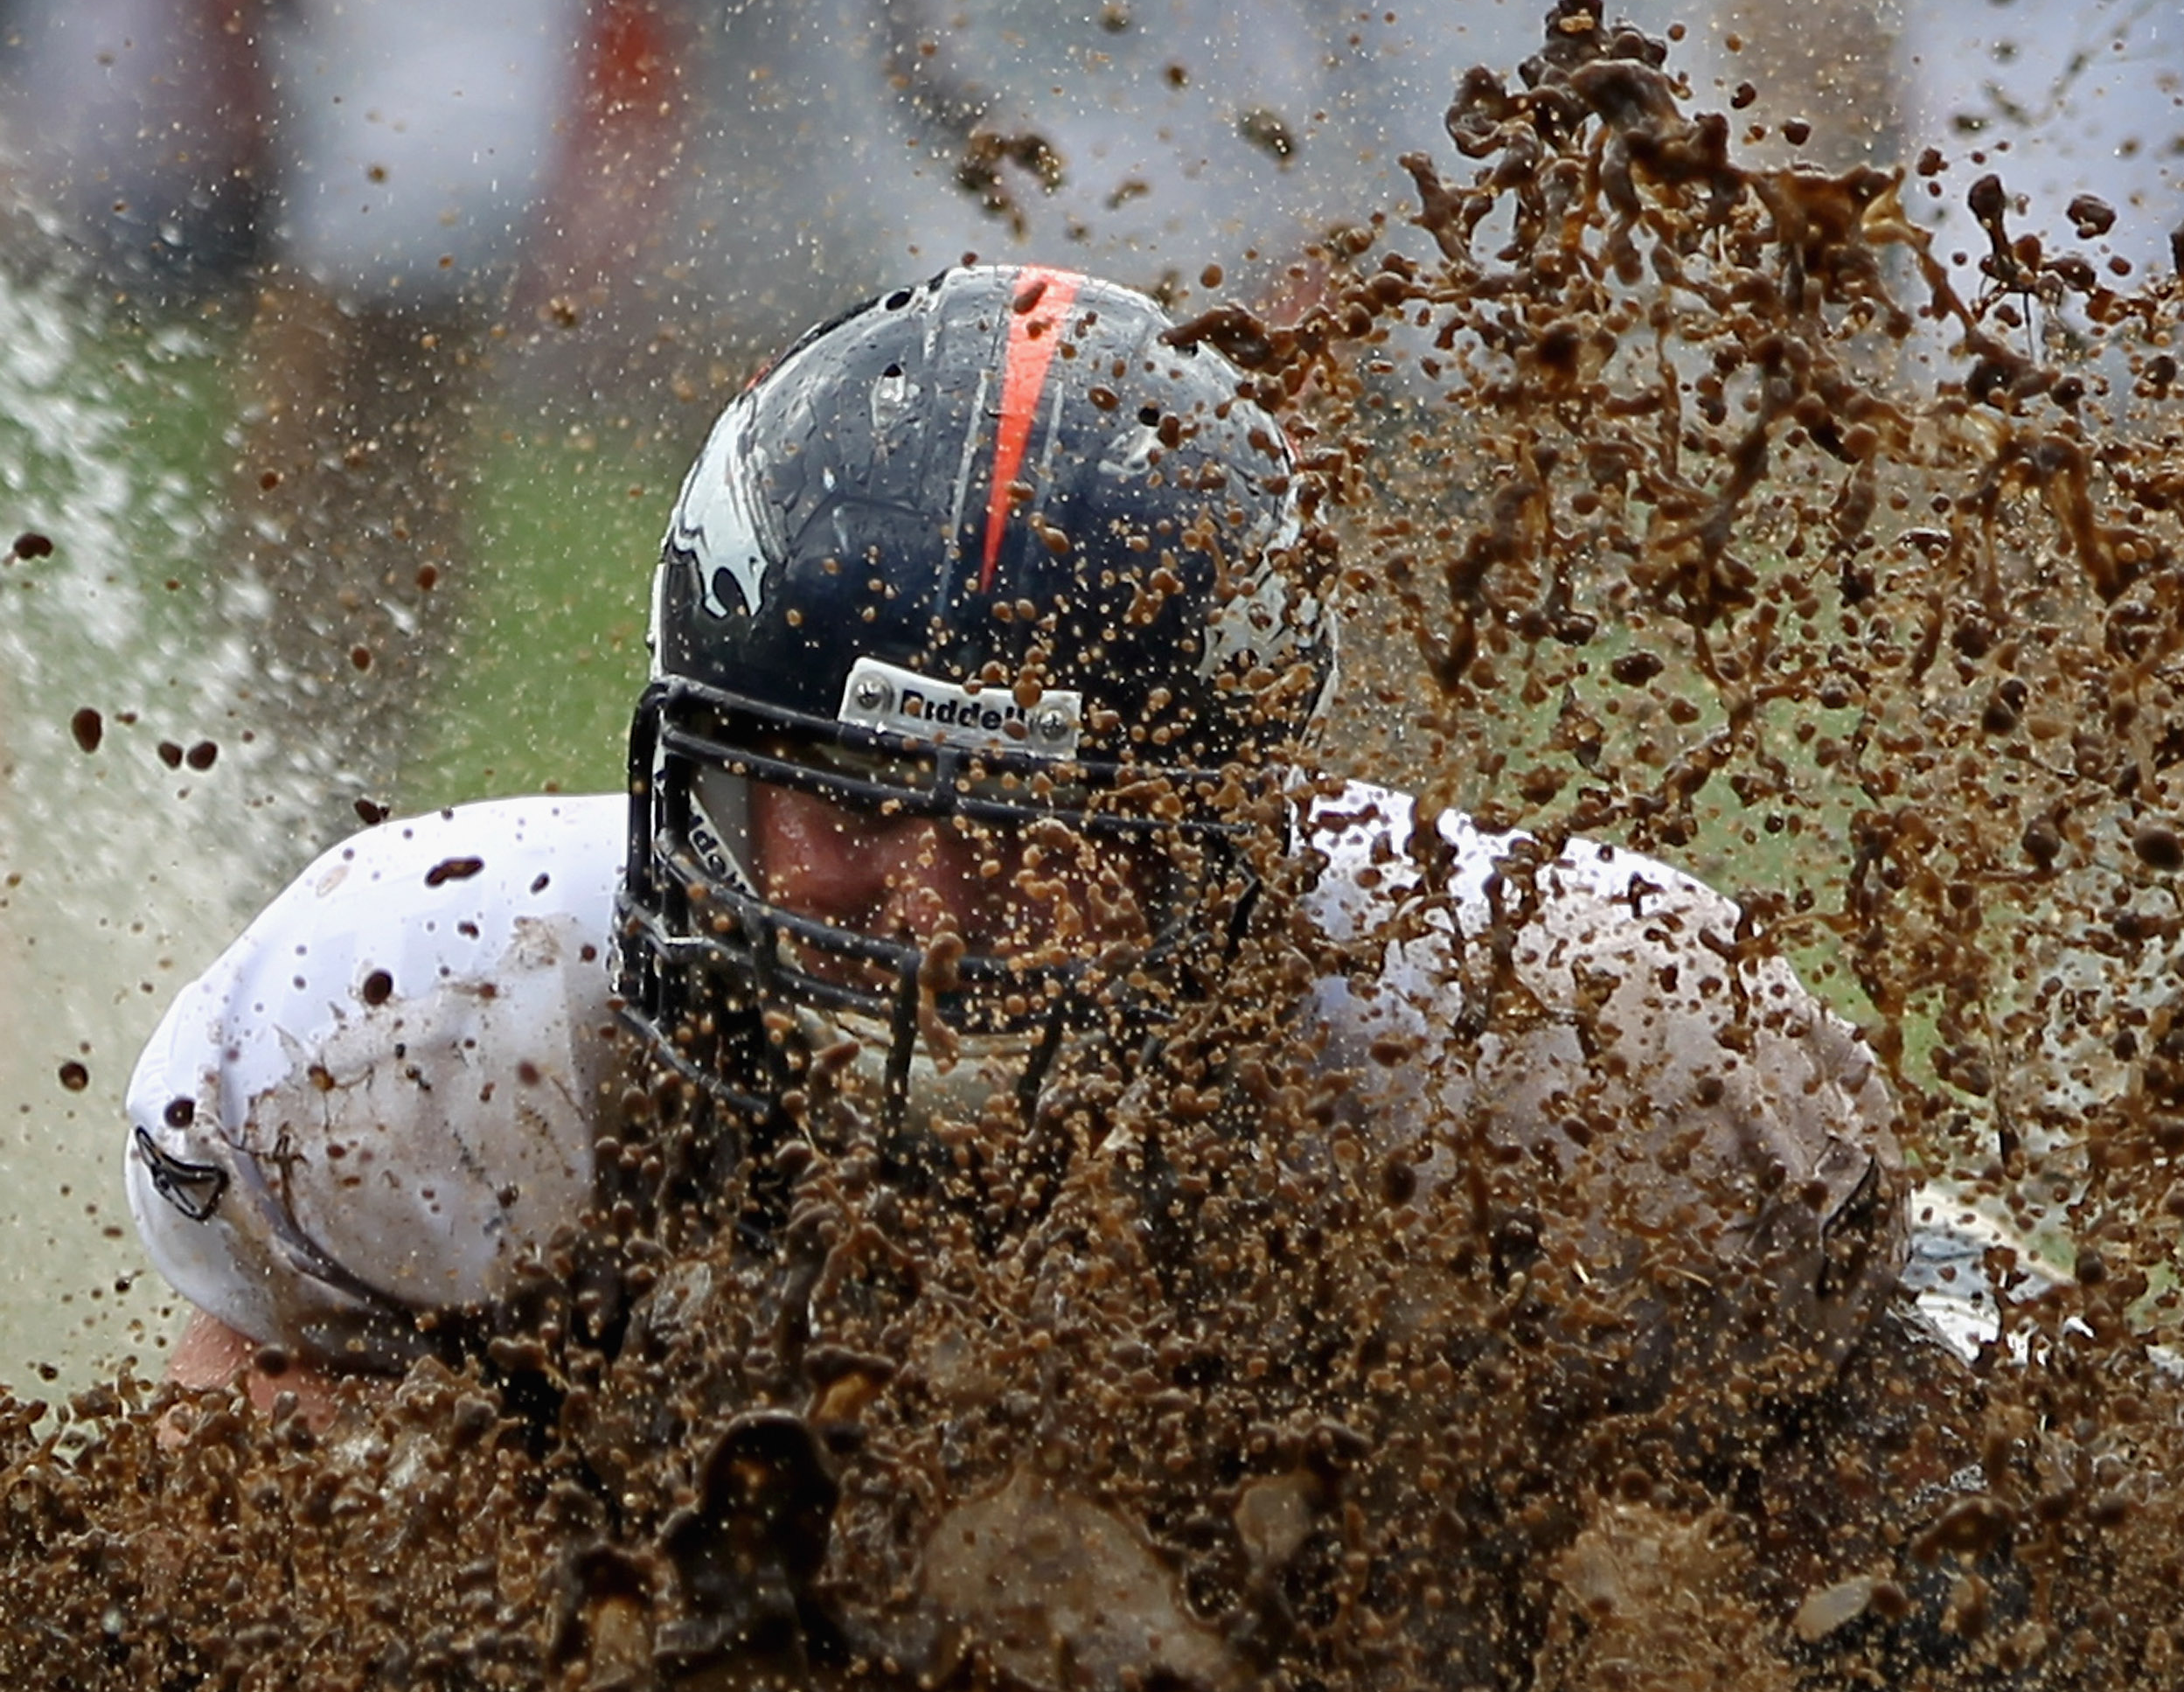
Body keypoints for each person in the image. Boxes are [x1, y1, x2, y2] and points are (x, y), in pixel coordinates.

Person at [125, 263, 1909, 1431]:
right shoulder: (417, 1015)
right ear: (703, 784)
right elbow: (236, 1469)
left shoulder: (1571, 1030)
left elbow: (1895, 1430)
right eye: (853, 805)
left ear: (1227, 849)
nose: (928, 911)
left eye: (1039, 841)